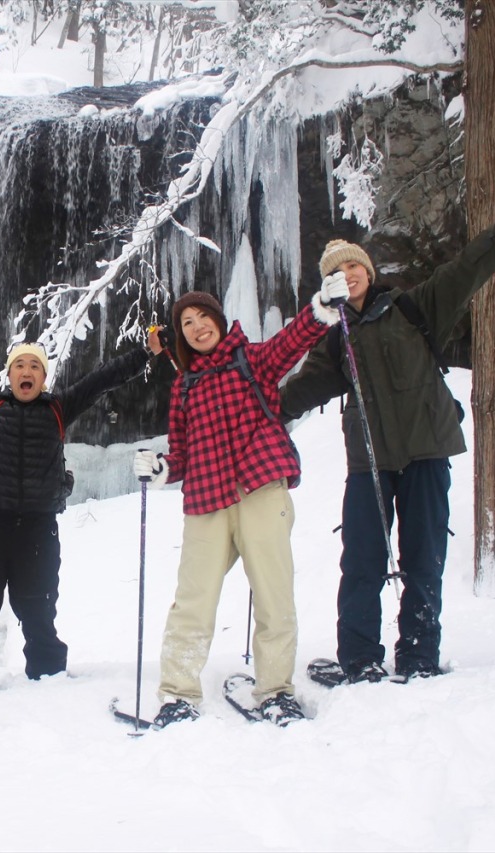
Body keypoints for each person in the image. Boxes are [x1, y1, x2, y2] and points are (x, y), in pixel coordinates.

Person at [279, 187, 495, 684]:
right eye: (336, 273)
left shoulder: (413, 309)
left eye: (354, 267)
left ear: (368, 271)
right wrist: (252, 411)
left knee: (423, 557)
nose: (348, 276)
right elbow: (301, 391)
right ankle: (361, 659)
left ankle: (418, 656)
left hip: (427, 450)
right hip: (369, 460)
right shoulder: (334, 337)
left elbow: (464, 271)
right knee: (363, 560)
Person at [0, 308, 159, 692]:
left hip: (37, 527)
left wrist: (145, 353)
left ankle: (48, 685)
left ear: (43, 377)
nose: (27, 372)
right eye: (20, 365)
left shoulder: (58, 408)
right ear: (10, 374)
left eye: (35, 366)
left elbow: (103, 380)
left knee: (38, 611)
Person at [133, 275, 350, 727]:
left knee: (273, 594)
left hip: (260, 488)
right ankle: (178, 694)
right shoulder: (184, 387)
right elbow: (182, 453)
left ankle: (275, 691)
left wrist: (321, 306)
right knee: (192, 600)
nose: (196, 327)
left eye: (201, 317)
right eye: (186, 323)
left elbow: (292, 341)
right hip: (207, 502)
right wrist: (162, 469)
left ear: (217, 318)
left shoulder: (252, 359)